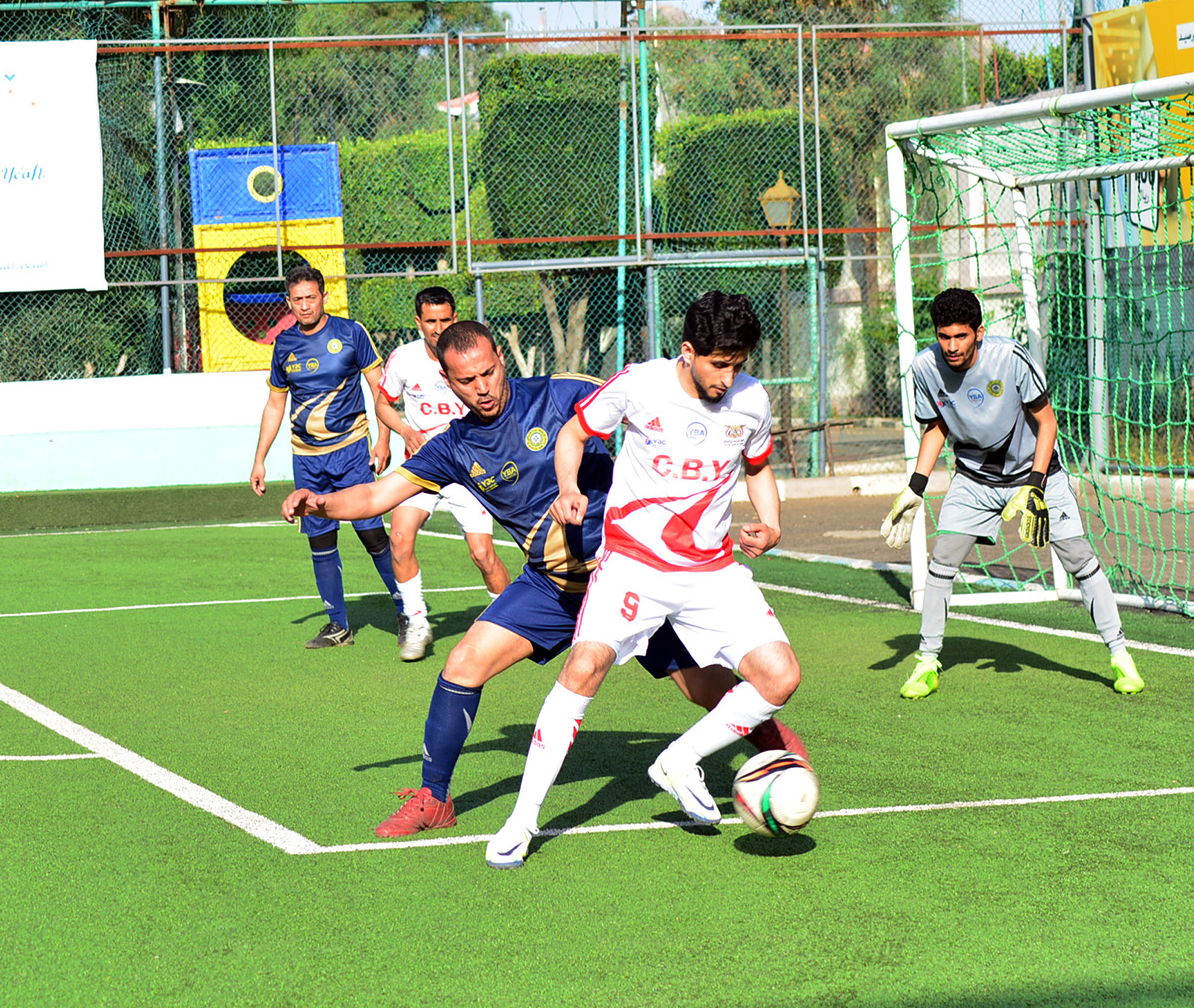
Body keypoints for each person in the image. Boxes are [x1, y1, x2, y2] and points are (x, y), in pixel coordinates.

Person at [282, 320, 804, 839]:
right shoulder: (453, 447)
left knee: (708, 689)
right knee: (464, 662)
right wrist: (322, 503)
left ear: (501, 362)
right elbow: (376, 496)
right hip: (551, 587)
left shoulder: (562, 395)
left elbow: (655, 416)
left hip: (634, 573)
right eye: (467, 380)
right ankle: (433, 797)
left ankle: (777, 753)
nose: (482, 387)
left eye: (489, 372)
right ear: (446, 379)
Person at [485, 291, 803, 870]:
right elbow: (574, 436)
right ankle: (521, 821)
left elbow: (758, 470)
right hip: (633, 562)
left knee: (780, 677)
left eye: (738, 365)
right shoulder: (641, 383)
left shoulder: (752, 399)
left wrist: (772, 522)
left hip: (711, 570)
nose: (728, 378)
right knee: (584, 666)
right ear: (688, 352)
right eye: (718, 365)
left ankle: (679, 761)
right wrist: (569, 489)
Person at [879, 287, 1143, 700]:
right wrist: (916, 486)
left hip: (1036, 474)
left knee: (1077, 557)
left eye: (960, 336)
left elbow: (1047, 423)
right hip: (974, 478)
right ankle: (926, 662)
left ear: (979, 333)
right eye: (944, 336)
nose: (951, 346)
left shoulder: (1011, 357)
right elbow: (937, 427)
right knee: (942, 561)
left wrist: (1035, 487)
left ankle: (1121, 656)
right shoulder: (925, 366)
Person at [250, 264, 402, 648]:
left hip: (351, 452)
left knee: (372, 534)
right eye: (297, 299)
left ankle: (408, 610)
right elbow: (274, 405)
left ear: (324, 297)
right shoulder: (284, 344)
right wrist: (260, 459)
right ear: (289, 302)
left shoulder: (351, 333)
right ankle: (338, 625)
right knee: (320, 539)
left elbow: (379, 391)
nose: (304, 306)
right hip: (307, 459)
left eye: (310, 298)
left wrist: (383, 441)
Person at [374, 287, 509, 661]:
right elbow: (383, 403)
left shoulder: (470, 354)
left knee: (483, 555)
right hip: (423, 465)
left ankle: (510, 622)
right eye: (430, 321)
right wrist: (403, 431)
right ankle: (417, 621)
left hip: (469, 467)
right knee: (399, 538)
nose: (438, 328)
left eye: (445, 320)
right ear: (418, 322)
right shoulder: (404, 359)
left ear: (456, 317)